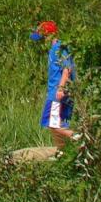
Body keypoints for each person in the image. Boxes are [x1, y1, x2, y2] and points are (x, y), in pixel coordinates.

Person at [31, 21, 77, 149]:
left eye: (43, 37)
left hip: (57, 93)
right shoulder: (54, 49)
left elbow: (67, 69)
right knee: (56, 126)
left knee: (54, 125)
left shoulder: (59, 48)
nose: (42, 41)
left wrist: (61, 88)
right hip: (56, 92)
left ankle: (80, 137)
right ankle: (61, 153)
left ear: (48, 36)